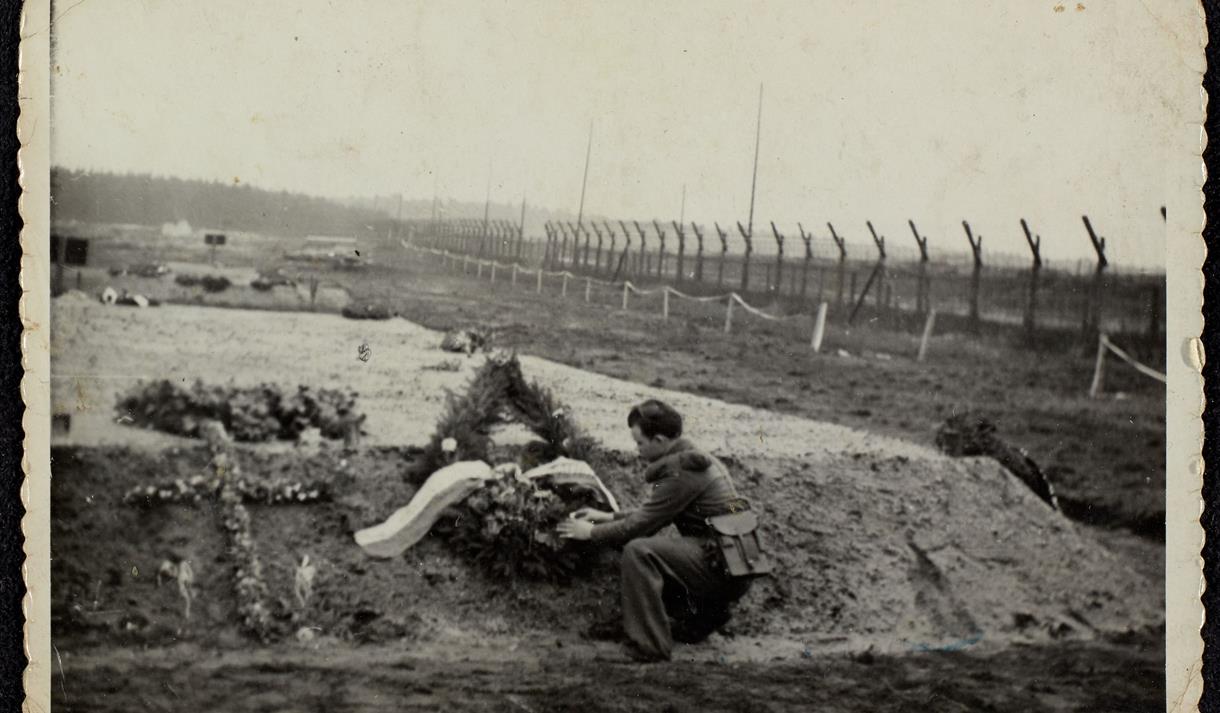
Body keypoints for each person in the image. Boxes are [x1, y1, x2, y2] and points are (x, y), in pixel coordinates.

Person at [556, 399, 755, 662]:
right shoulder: (692, 460)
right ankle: (703, 616)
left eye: (640, 443)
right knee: (660, 551)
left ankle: (649, 646)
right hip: (731, 560)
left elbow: (640, 525)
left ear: (659, 439)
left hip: (723, 565)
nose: (636, 449)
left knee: (639, 552)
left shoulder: (682, 471)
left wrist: (590, 533)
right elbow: (655, 510)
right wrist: (608, 516)